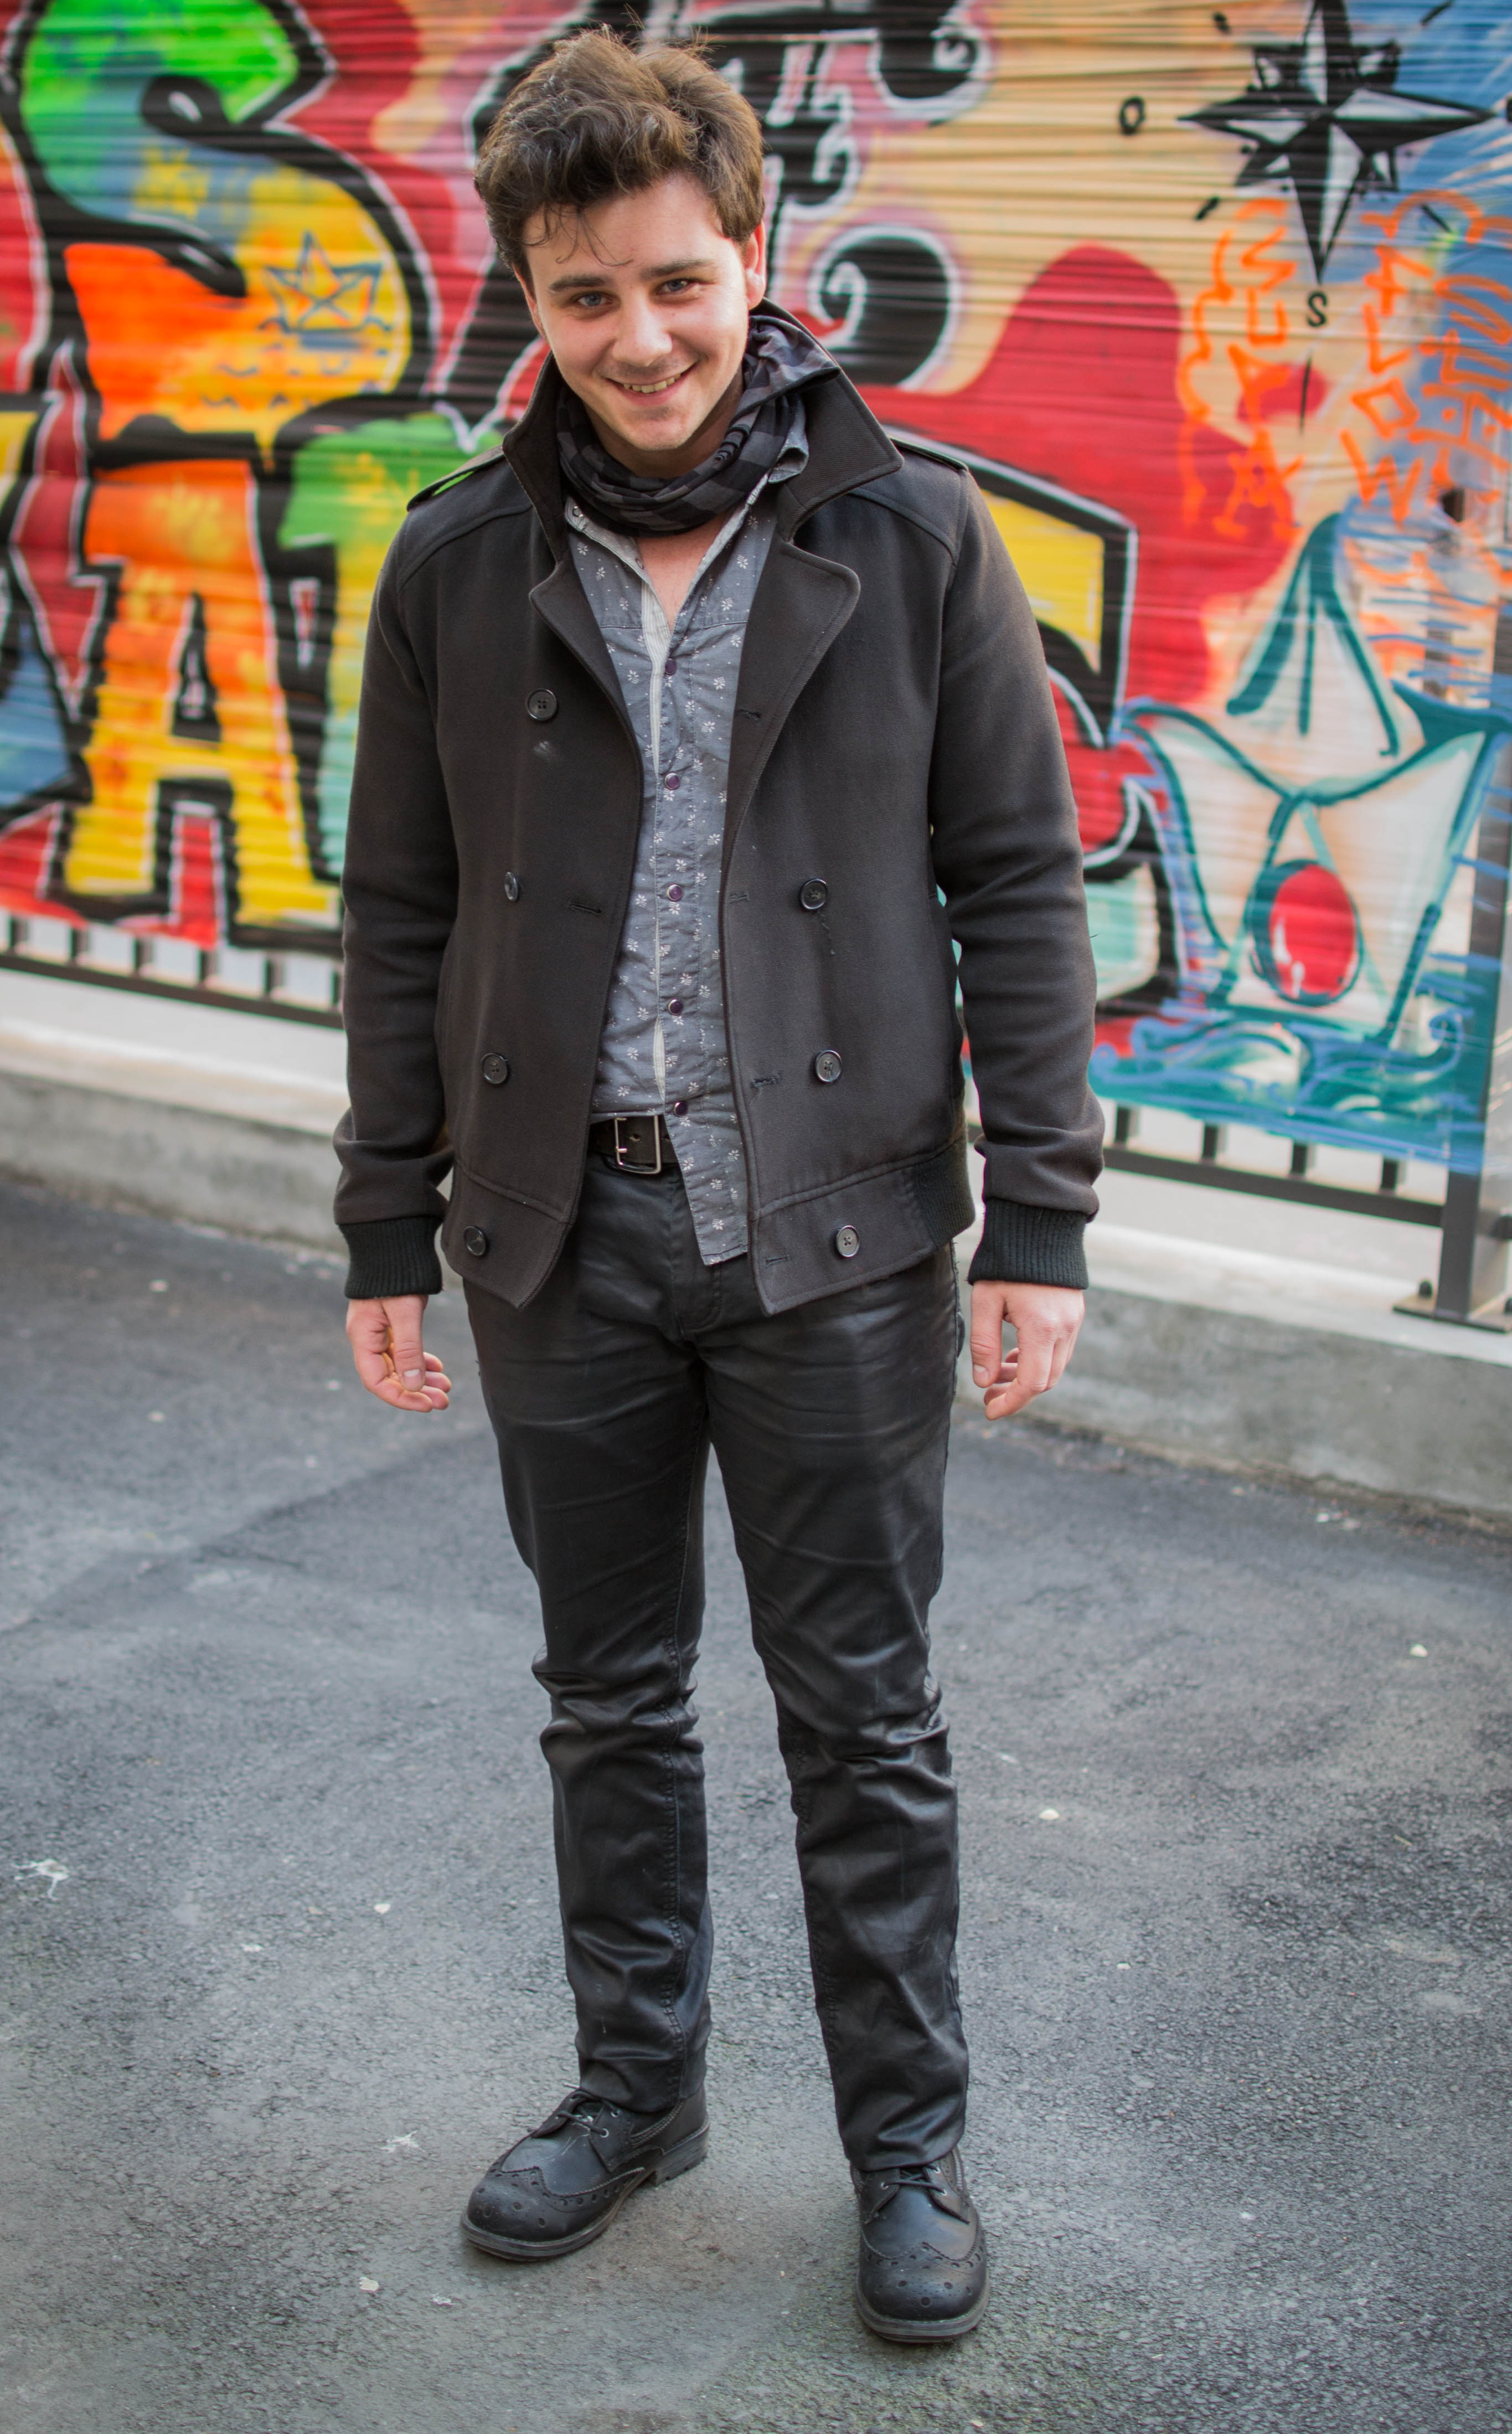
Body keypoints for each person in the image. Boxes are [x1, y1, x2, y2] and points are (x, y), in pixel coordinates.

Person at [334, 28, 1101, 2345]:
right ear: (530, 296)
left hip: (835, 1231)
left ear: (753, 254)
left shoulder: (911, 532)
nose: (641, 338)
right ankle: (635, 2092)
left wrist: (1039, 1219)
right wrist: (383, 1220)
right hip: (557, 1233)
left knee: (861, 1715)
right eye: (585, 296)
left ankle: (907, 2149)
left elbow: (1015, 882)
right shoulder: (457, 560)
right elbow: (399, 910)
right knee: (606, 1698)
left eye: (677, 280)